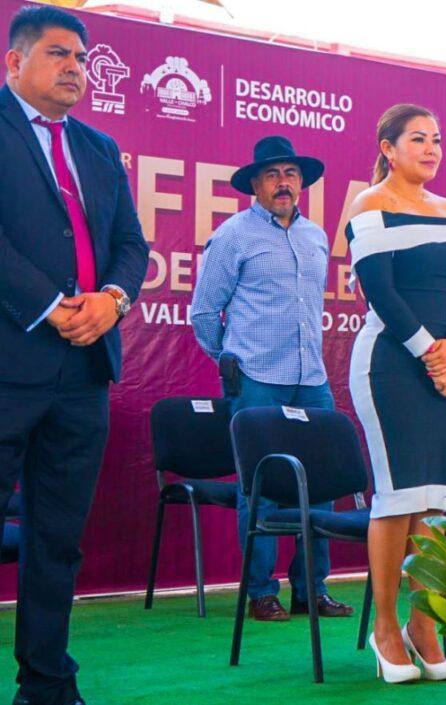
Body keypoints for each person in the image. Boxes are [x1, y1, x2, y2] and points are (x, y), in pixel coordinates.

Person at [0, 7, 149, 704]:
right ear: (14, 62)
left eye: (82, 58)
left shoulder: (98, 147)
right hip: (9, 360)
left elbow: (131, 244)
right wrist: (51, 305)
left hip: (84, 369)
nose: (75, 68)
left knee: (57, 537)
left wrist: (112, 299)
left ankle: (48, 684)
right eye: (58, 53)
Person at [191, 135, 353, 622]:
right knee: (258, 486)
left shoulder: (316, 236)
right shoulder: (233, 235)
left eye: (290, 174)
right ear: (255, 185)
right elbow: (204, 313)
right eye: (272, 175)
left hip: (312, 378)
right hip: (258, 377)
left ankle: (312, 590)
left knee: (321, 484)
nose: (283, 183)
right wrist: (232, 359)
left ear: (301, 182)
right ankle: (261, 591)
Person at [347, 103, 446, 683]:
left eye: (437, 139)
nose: (431, 149)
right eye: (418, 139)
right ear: (388, 147)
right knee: (398, 498)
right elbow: (381, 293)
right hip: (391, 367)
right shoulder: (368, 205)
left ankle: (422, 626)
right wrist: (433, 355)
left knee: (438, 502)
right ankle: (384, 628)